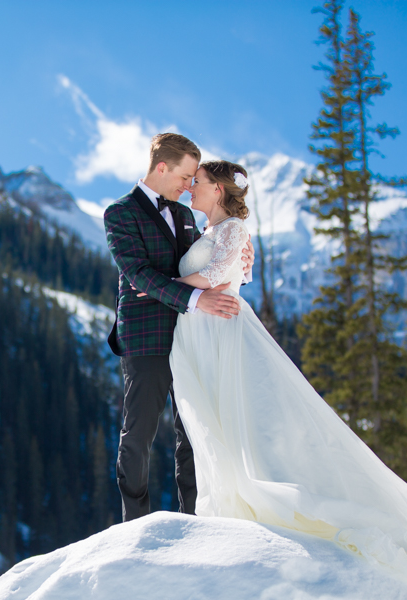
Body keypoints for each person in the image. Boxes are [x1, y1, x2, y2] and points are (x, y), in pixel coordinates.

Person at [169, 159, 407, 598]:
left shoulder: (232, 227)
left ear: (217, 190)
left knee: (239, 419)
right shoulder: (210, 232)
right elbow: (233, 272)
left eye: (198, 182)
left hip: (222, 333)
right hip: (202, 334)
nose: (191, 188)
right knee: (213, 423)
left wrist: (161, 285)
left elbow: (217, 276)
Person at [103, 133, 254, 522]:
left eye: (195, 180)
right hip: (146, 337)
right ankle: (134, 524)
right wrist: (195, 298)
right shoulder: (120, 213)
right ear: (161, 167)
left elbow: (207, 265)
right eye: (186, 177)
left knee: (194, 433)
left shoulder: (187, 216)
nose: (189, 187)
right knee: (139, 435)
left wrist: (239, 259)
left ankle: (196, 521)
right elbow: (137, 273)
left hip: (192, 336)